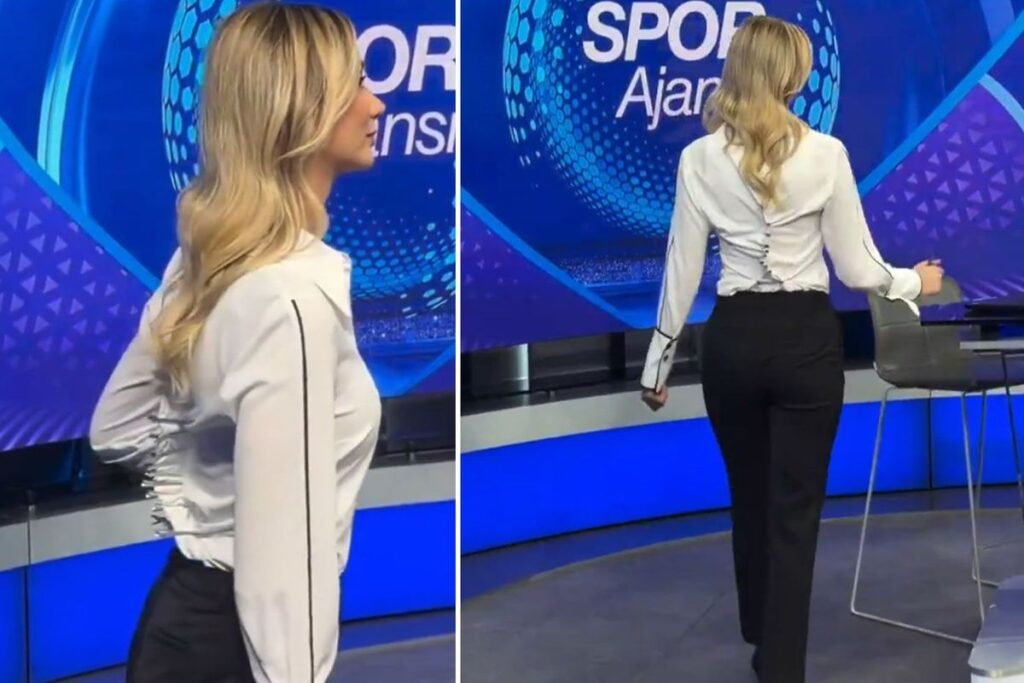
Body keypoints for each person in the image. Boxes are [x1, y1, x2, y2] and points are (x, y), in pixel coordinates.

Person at [639, 15, 944, 683]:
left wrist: (657, 363)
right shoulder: (826, 154)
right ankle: (779, 662)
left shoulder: (699, 159)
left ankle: (762, 629)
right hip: (804, 339)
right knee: (794, 511)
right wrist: (913, 282)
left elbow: (681, 268)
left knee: (750, 496)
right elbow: (858, 267)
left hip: (733, 342)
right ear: (792, 76)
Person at [89, 3, 386, 681]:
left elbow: (117, 428)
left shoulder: (212, 260)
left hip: (179, 623)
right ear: (303, 112)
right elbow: (285, 571)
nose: (376, 103)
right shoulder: (291, 300)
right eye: (358, 83)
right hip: (239, 651)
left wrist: (209, 498)